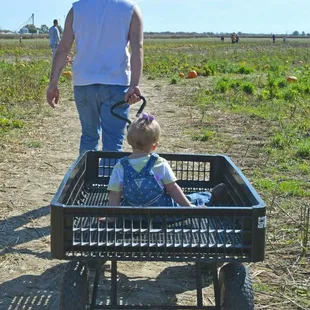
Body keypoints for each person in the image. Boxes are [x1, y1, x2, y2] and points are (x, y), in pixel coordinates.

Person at [46, 0, 143, 155]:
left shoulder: (76, 9)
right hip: (116, 83)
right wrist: (134, 84)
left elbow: (63, 48)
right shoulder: (130, 9)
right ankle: (109, 179)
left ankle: (87, 178)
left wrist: (53, 83)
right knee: (113, 141)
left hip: (84, 84)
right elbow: (137, 49)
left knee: (89, 136)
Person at [107, 113, 229, 208]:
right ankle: (209, 195)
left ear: (128, 141)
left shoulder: (120, 166)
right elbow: (173, 189)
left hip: (131, 216)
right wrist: (188, 207)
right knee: (190, 199)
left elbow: (114, 193)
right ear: (154, 146)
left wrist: (111, 217)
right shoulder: (159, 163)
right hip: (162, 213)